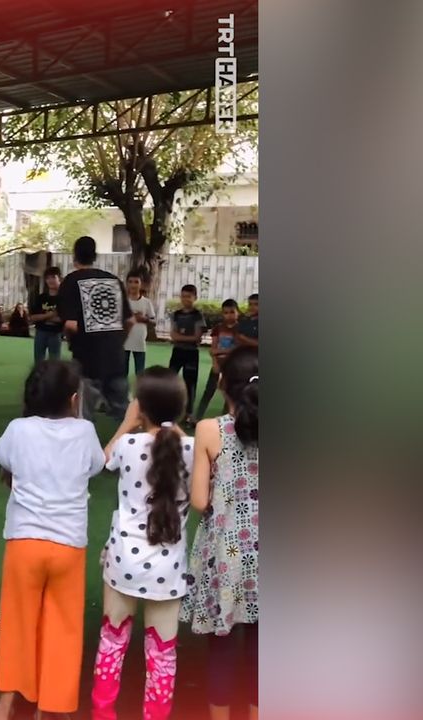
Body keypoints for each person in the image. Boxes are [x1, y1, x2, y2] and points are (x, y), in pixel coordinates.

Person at [0, 361, 106, 720]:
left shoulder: (18, 429)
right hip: (68, 546)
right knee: (64, 629)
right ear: (73, 399)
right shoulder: (84, 431)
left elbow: (3, 456)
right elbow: (96, 465)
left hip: (26, 542)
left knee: (17, 624)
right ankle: (51, 709)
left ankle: (5, 708)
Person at [91, 368, 194, 720]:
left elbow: (102, 460)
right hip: (169, 569)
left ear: (140, 407)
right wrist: (175, 428)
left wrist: (125, 424)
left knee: (112, 641)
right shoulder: (192, 450)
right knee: (163, 655)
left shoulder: (128, 445)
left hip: (123, 562)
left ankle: (103, 713)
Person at [181, 346, 259, 720]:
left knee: (222, 646)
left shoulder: (210, 430)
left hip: (226, 553)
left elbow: (199, 500)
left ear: (224, 385)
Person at [58, 236, 133, 420]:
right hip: (115, 357)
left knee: (82, 416)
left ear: (75, 255)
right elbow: (130, 321)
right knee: (126, 415)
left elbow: (70, 325)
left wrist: (71, 341)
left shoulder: (70, 281)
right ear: (95, 255)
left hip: (87, 358)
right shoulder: (114, 281)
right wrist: (118, 341)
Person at [168, 284, 207, 426]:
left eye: (189, 296)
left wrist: (180, 337)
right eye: (183, 296)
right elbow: (173, 335)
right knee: (170, 379)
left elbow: (197, 337)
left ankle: (188, 414)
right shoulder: (176, 315)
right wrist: (184, 338)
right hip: (177, 351)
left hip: (191, 353)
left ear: (195, 298)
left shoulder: (198, 315)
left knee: (190, 383)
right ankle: (169, 409)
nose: (186, 299)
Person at [196, 299, 241, 419]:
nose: (229, 315)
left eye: (232, 312)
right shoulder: (218, 328)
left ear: (238, 312)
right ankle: (197, 418)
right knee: (208, 391)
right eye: (226, 312)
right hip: (218, 365)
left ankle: (227, 419)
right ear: (222, 314)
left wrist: (219, 351)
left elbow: (237, 349)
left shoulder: (240, 329)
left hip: (232, 367)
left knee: (229, 394)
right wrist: (215, 363)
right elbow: (213, 349)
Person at [123, 269, 156, 381]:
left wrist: (144, 319)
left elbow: (153, 321)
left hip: (139, 341)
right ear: (127, 283)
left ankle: (140, 391)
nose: (133, 285)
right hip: (124, 340)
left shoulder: (146, 302)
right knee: (122, 372)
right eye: (130, 282)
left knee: (140, 372)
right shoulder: (122, 301)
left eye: (136, 282)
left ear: (141, 284)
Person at [29, 267, 64, 362]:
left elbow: (62, 319)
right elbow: (33, 317)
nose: (50, 280)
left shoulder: (63, 298)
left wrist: (42, 317)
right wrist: (51, 315)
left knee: (54, 361)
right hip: (40, 332)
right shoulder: (41, 298)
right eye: (48, 278)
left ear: (59, 278)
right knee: (38, 360)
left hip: (56, 333)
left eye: (53, 277)